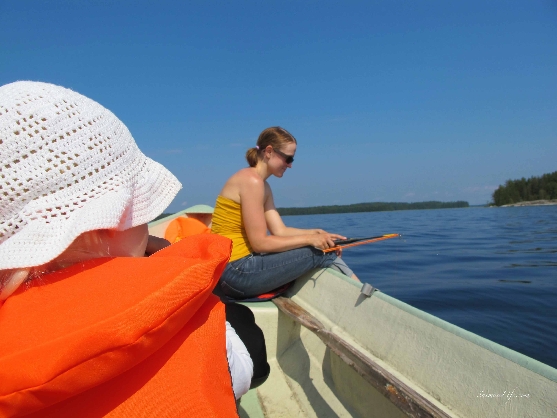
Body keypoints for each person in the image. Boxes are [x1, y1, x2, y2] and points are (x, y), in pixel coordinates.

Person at [0, 81, 253, 417]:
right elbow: (244, 369)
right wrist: (168, 268)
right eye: (139, 210)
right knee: (244, 323)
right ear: (105, 223)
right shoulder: (209, 333)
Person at [211, 126, 358, 300]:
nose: (290, 165)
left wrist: (317, 233)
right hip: (236, 272)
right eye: (288, 158)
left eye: (292, 160)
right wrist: (310, 240)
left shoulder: (262, 185)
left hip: (231, 271)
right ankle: (365, 298)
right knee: (322, 253)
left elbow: (280, 231)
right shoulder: (251, 182)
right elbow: (260, 243)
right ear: (269, 151)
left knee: (321, 247)